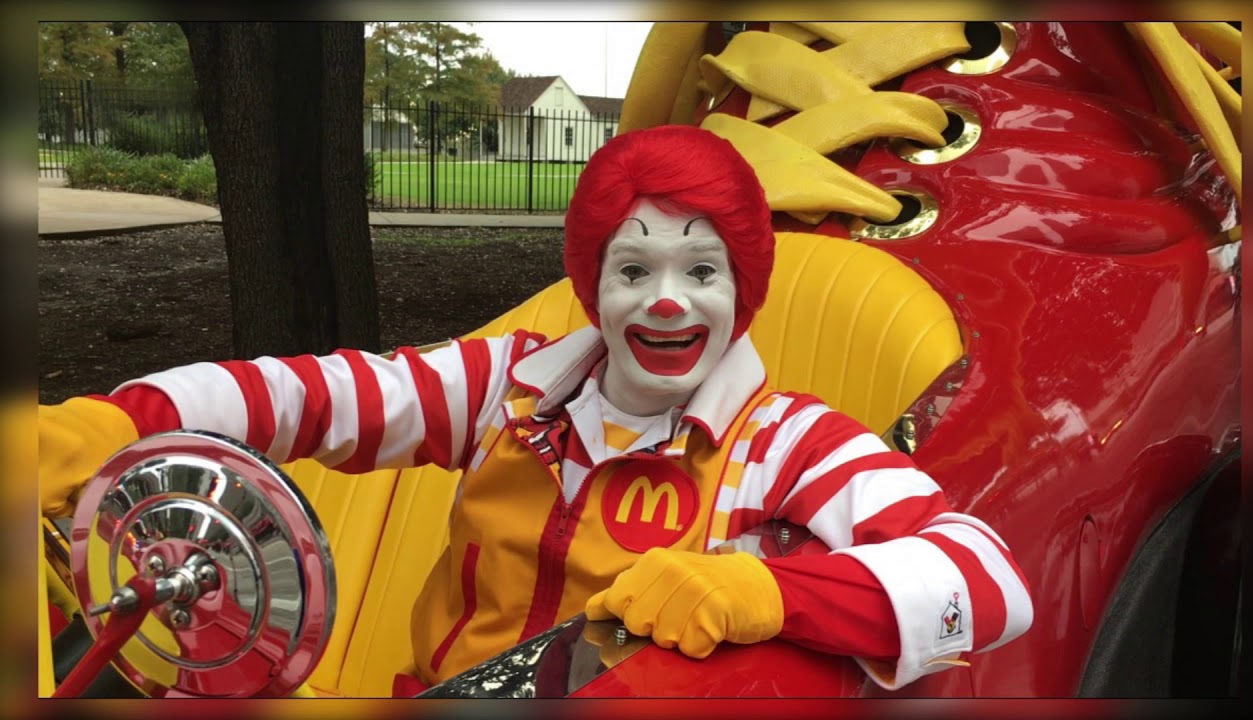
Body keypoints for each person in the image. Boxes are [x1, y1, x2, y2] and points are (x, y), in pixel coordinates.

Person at [39, 124, 1032, 692]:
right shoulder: (506, 386)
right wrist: (123, 420)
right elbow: (317, 395)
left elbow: (985, 583)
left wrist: (770, 594)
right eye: (633, 269)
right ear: (592, 287)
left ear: (744, 290)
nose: (668, 302)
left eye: (702, 271)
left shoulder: (785, 440)